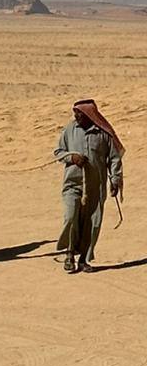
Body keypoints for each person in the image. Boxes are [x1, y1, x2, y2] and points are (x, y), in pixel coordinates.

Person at [54, 99, 124, 273]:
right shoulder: (70, 130)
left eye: (79, 113)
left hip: (95, 185)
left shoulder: (103, 134)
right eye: (75, 112)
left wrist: (115, 181)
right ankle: (69, 253)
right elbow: (58, 152)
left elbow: (114, 159)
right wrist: (72, 158)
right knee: (71, 217)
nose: (75, 116)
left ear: (88, 115)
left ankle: (84, 259)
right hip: (72, 183)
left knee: (92, 223)